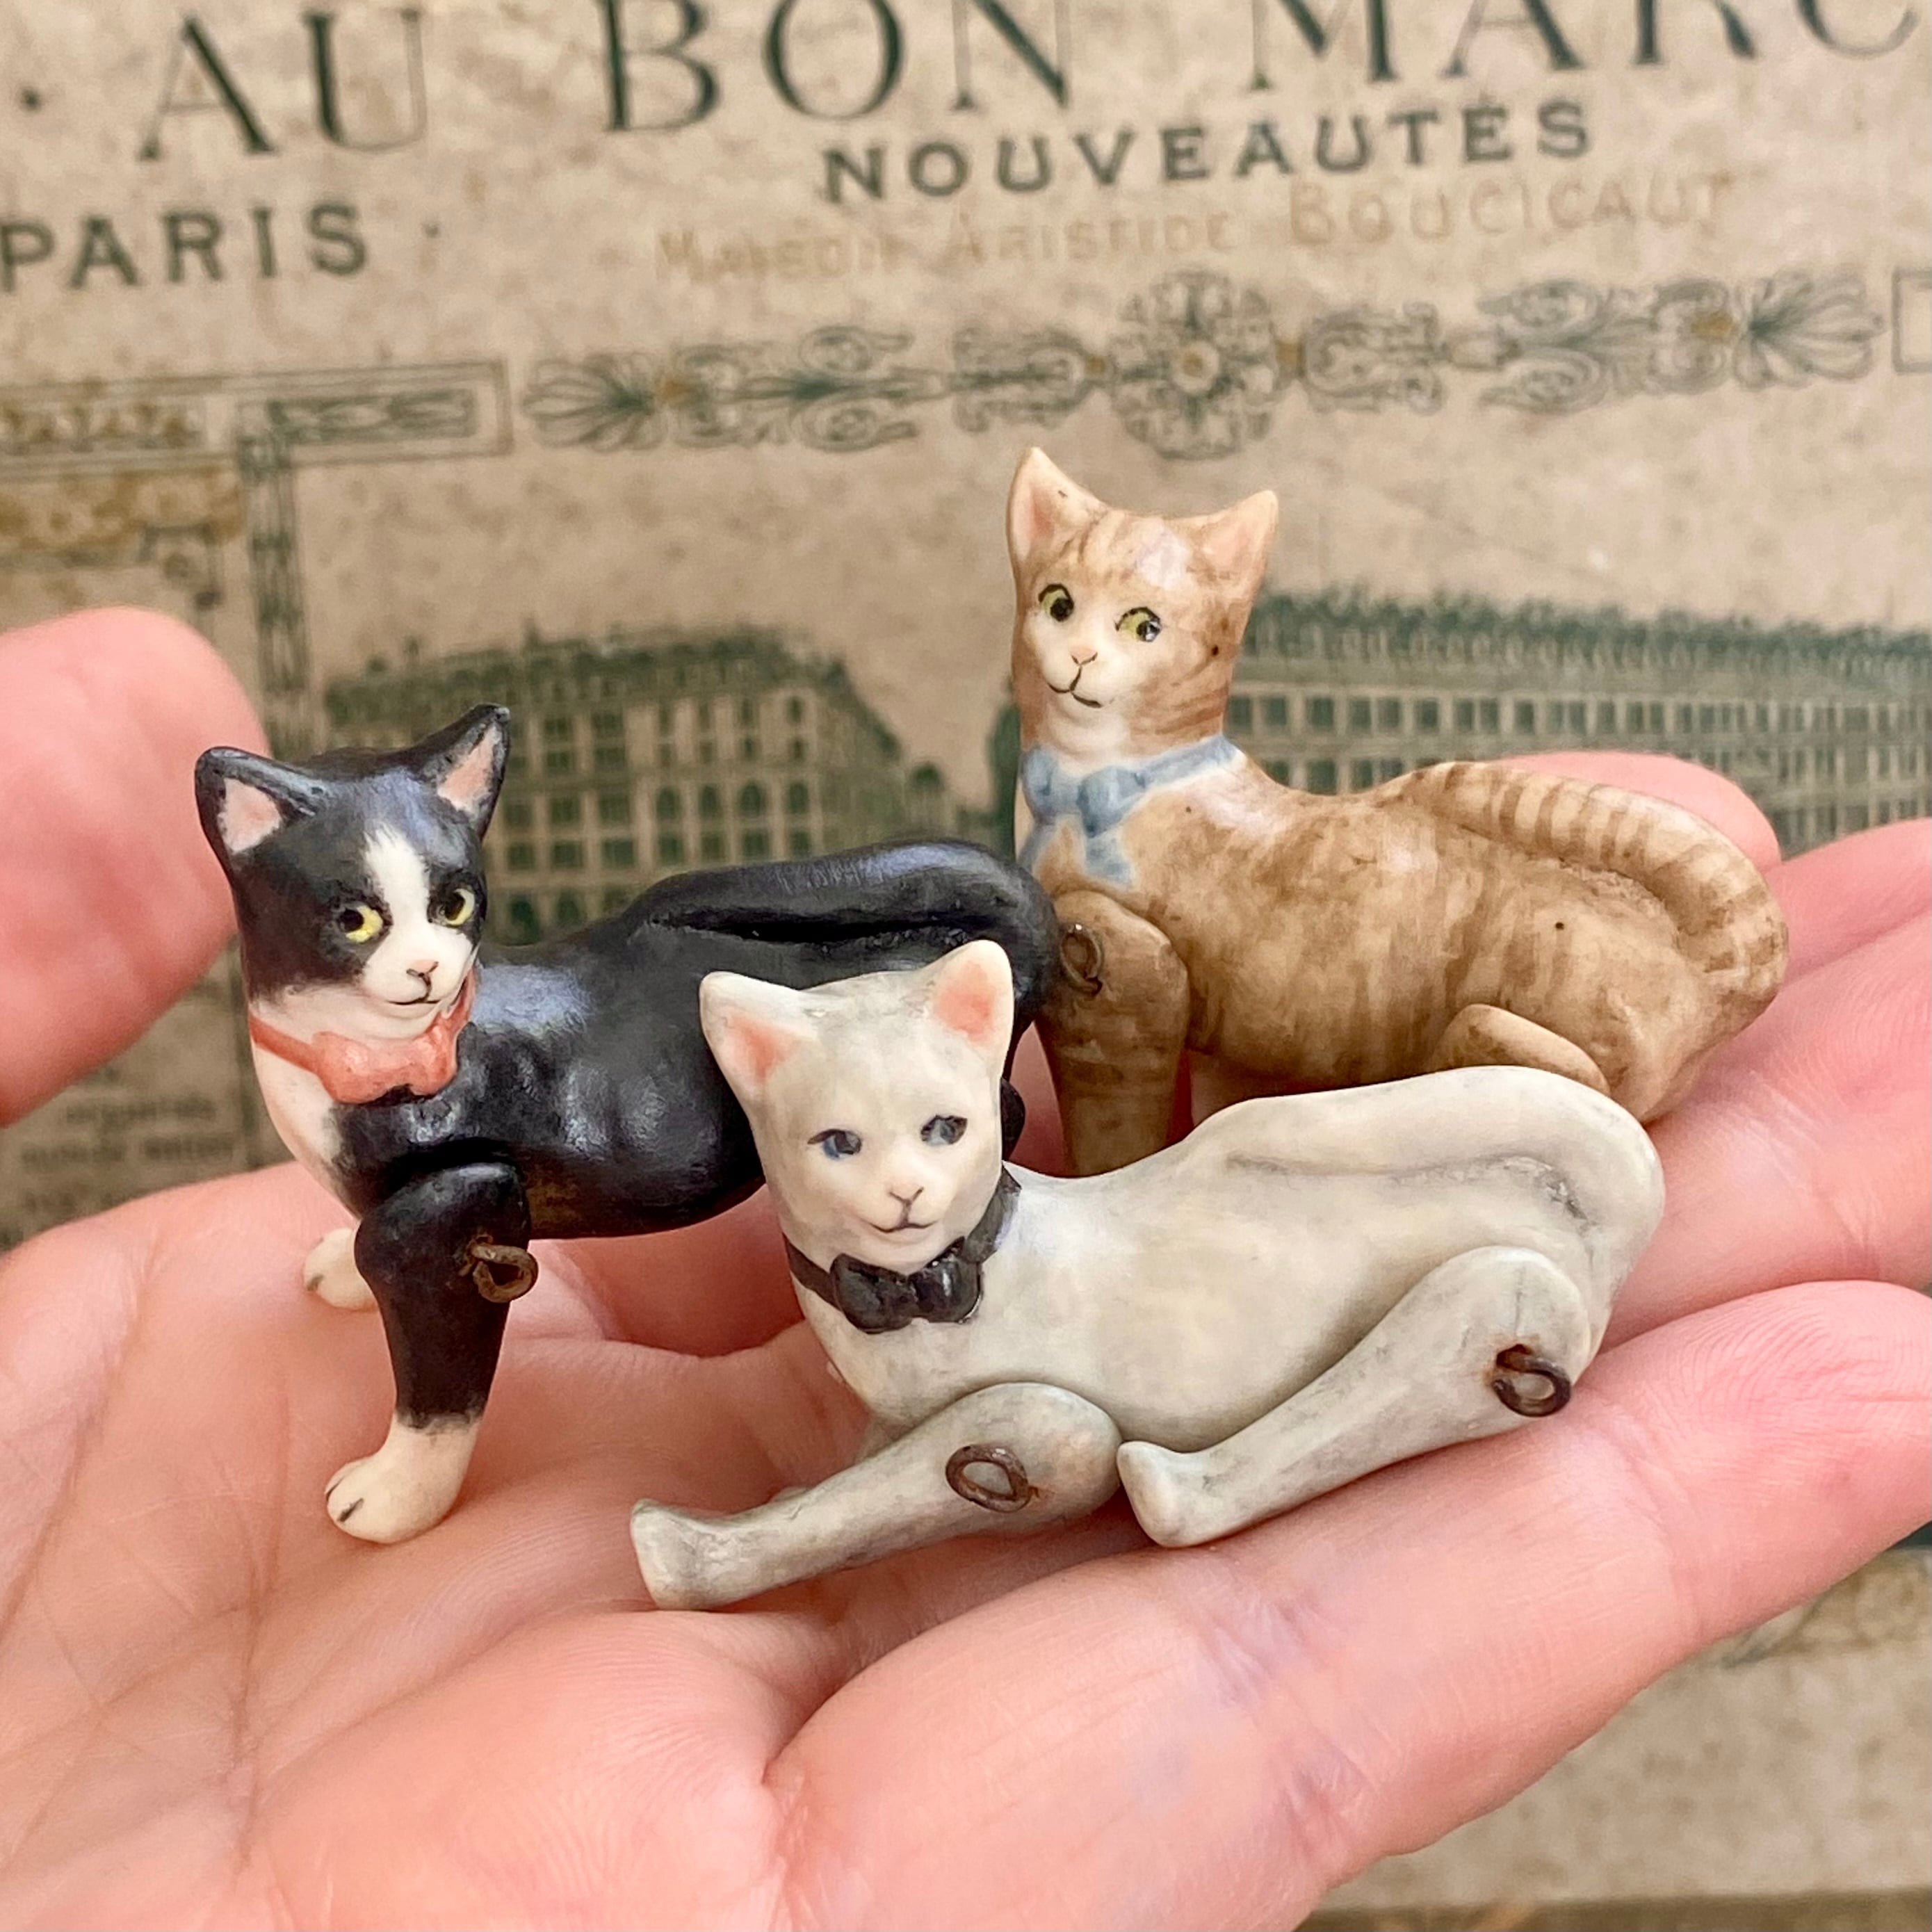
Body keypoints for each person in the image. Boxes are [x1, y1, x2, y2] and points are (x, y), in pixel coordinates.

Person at [0, 606, 1924, 1928]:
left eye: (444, 910)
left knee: (1272, 1196)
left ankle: (1245, 1446)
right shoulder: (376, 1060)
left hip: (1246, 1290)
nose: (425, 956)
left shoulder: (851, 1162)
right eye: (371, 926)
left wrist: (729, 1539)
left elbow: (1042, 1429)